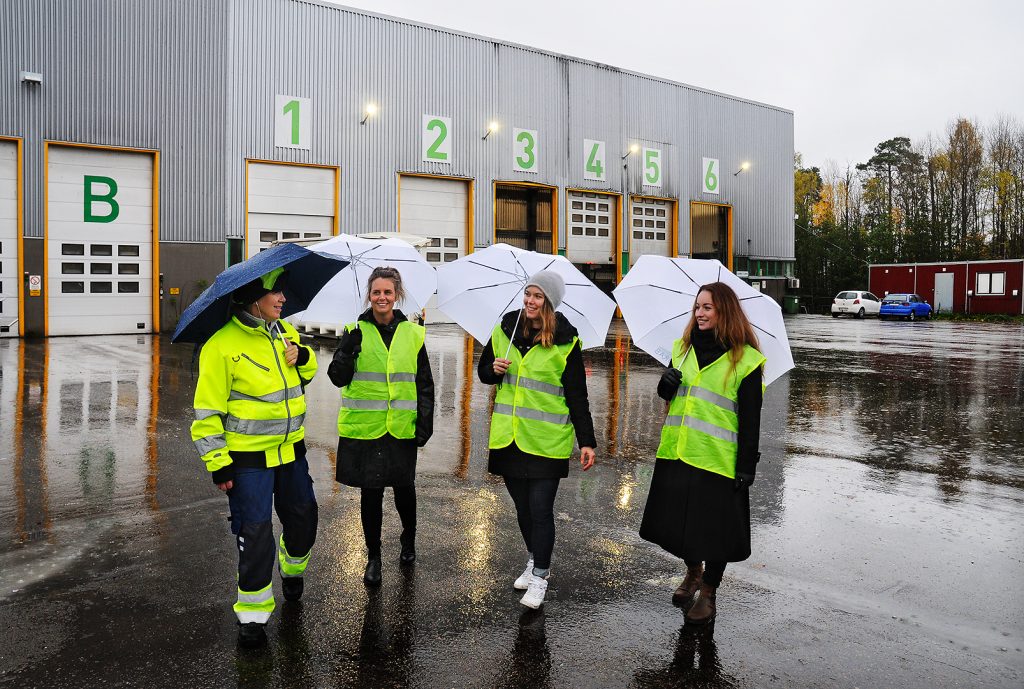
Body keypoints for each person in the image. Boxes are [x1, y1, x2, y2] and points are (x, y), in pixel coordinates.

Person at [190, 268, 319, 649]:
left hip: (292, 454)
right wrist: (218, 462)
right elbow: (206, 414)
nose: (282, 299)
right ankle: (252, 616)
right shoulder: (221, 346)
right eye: (274, 293)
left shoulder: (286, 333)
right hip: (248, 462)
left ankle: (292, 568)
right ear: (252, 300)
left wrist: (303, 355)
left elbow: (307, 373)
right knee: (256, 533)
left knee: (304, 519)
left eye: (282, 293)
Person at [639, 281, 765, 625]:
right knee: (682, 526)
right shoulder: (681, 349)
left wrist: (746, 465)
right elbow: (673, 397)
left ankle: (708, 592)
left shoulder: (747, 360)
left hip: (717, 459)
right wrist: (665, 387)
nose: (700, 313)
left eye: (707, 307)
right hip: (679, 452)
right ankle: (693, 571)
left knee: (715, 531)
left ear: (724, 311)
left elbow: (751, 419)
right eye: (697, 307)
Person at [477, 270, 597, 609]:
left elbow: (577, 395)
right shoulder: (504, 330)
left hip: (547, 440)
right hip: (509, 438)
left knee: (540, 509)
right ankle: (533, 561)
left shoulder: (566, 342)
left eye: (538, 296)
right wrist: (493, 370)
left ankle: (541, 577)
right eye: (528, 294)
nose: (530, 301)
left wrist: (586, 441)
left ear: (549, 303)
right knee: (522, 509)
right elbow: (484, 372)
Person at [328, 266, 434, 586]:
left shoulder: (413, 334)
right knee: (370, 495)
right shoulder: (354, 330)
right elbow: (337, 377)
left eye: (388, 292)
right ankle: (373, 557)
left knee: (405, 491)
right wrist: (347, 350)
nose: (382, 297)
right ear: (369, 295)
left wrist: (424, 423)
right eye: (377, 292)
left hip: (401, 427)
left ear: (396, 295)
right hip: (366, 429)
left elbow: (424, 384)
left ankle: (408, 540)